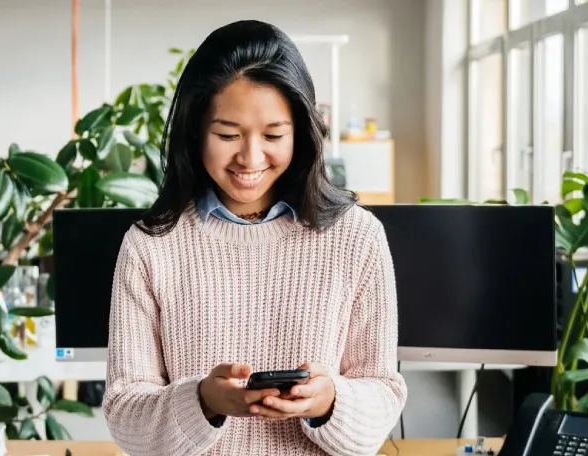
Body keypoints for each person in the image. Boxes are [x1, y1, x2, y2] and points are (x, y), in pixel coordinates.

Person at [101, 20, 406, 456]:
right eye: (227, 135)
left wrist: (329, 402)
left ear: (302, 133)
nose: (250, 157)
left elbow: (382, 393)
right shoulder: (150, 245)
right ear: (195, 130)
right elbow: (124, 412)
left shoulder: (357, 237)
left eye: (273, 135)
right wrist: (203, 402)